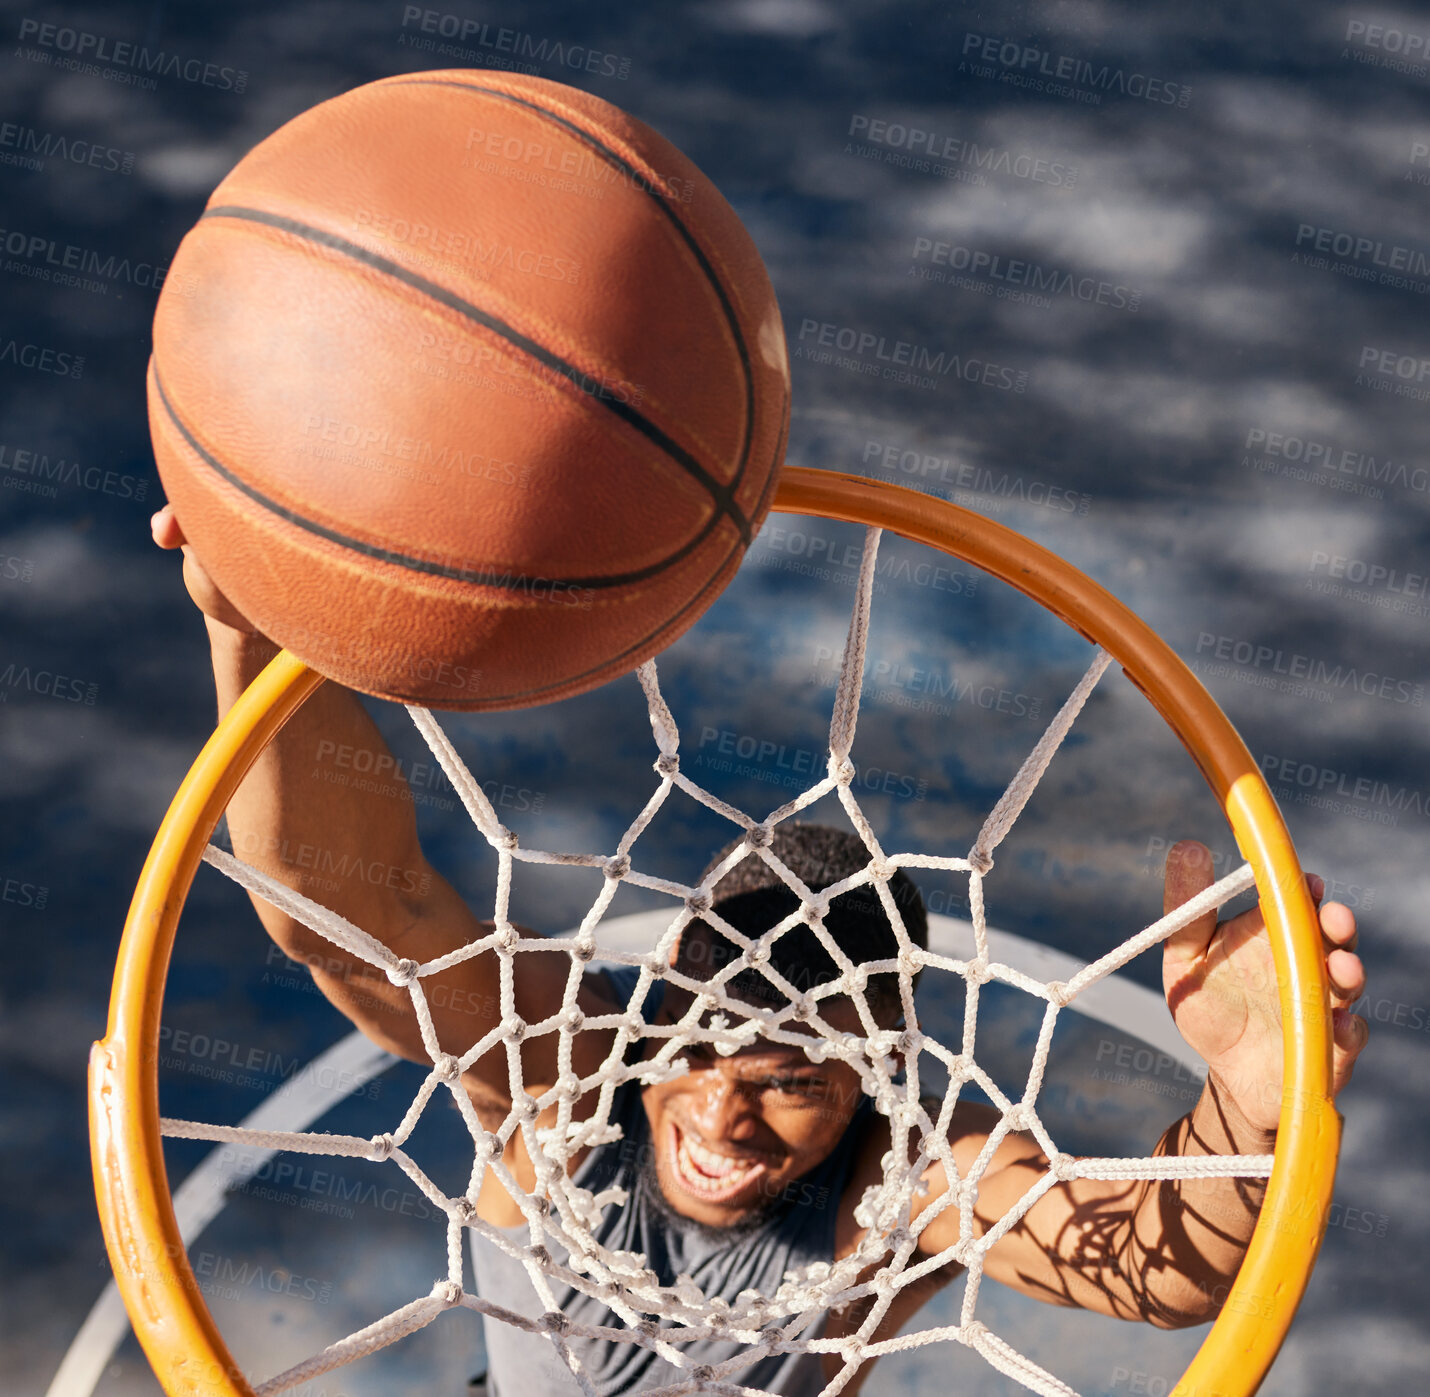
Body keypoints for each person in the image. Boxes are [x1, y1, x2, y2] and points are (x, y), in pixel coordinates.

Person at [153, 505, 1369, 1396]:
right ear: (664, 1002)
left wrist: (1248, 1108)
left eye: (790, 1078)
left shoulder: (905, 1176)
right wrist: (252, 627)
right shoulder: (563, 1071)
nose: (724, 1118)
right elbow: (341, 911)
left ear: (875, 1067)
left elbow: (1148, 1275)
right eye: (705, 1051)